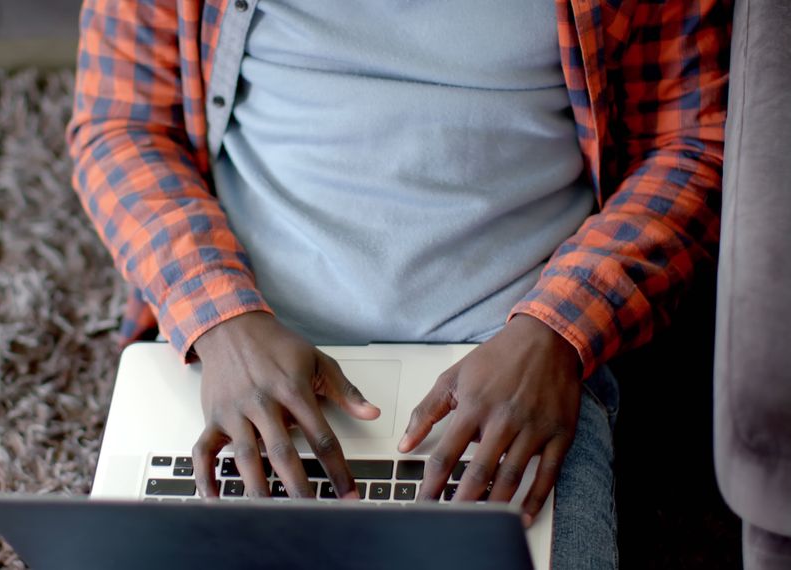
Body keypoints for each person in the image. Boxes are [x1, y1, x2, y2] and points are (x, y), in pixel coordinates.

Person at [69, 1, 732, 567]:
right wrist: (218, 320)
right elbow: (119, 126)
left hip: (511, 363)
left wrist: (557, 331)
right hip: (247, 353)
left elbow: (695, 144)